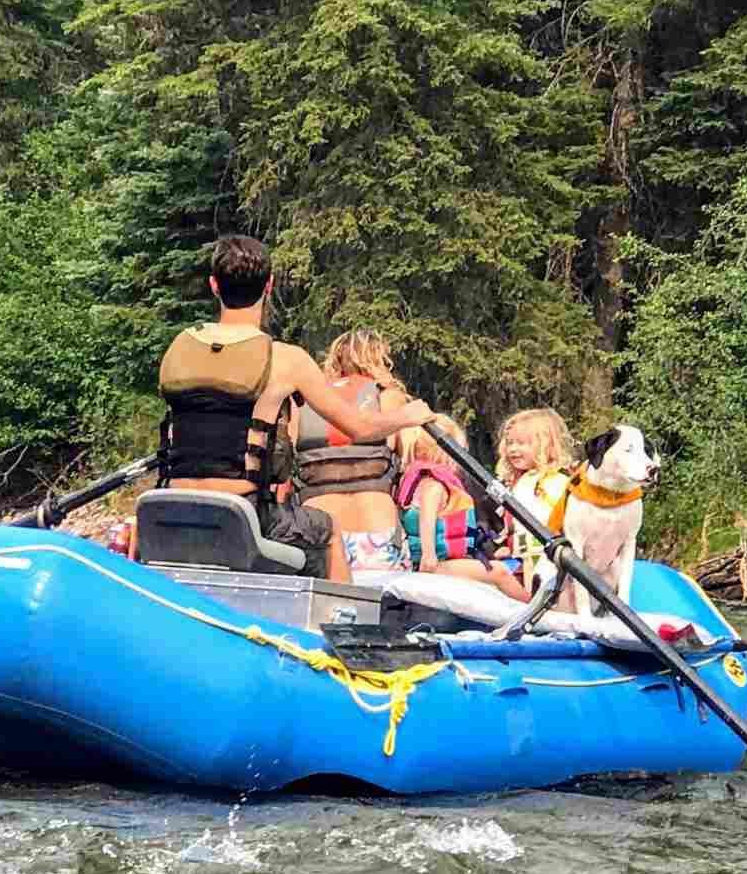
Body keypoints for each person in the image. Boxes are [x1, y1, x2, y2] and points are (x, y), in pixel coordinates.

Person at [157, 235, 432, 580]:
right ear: (269, 286)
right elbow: (360, 429)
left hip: (170, 506)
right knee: (326, 531)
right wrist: (406, 415)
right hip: (245, 514)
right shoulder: (287, 360)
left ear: (214, 286)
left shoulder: (178, 350)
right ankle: (339, 626)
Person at [290, 329, 414, 574]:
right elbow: (410, 464)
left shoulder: (303, 402)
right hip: (376, 528)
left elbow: (282, 469)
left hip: (320, 533)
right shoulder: (388, 397)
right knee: (383, 609)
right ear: (379, 358)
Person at [396, 415, 531, 601]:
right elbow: (427, 520)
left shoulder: (418, 481)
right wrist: (429, 557)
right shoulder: (433, 486)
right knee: (499, 572)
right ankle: (537, 614)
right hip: (435, 564)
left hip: (443, 560)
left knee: (491, 572)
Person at [492, 407, 576, 589]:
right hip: (525, 557)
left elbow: (559, 521)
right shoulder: (522, 480)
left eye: (521, 443)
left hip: (545, 557)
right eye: (510, 443)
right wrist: (512, 546)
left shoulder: (555, 481)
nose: (513, 449)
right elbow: (518, 524)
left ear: (545, 446)